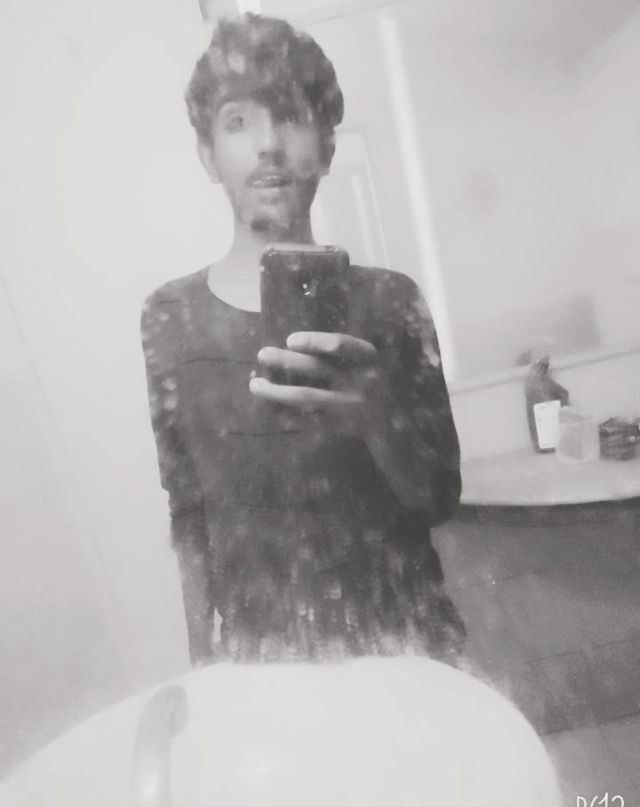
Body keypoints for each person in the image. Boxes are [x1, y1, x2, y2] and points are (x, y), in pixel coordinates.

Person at [141, 13, 465, 665]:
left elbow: (439, 497)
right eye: (238, 120)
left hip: (406, 644)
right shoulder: (171, 317)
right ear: (208, 155)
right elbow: (189, 511)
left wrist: (377, 416)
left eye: (289, 115)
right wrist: (203, 663)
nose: (268, 144)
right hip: (263, 660)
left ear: (326, 146)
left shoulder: (391, 302)